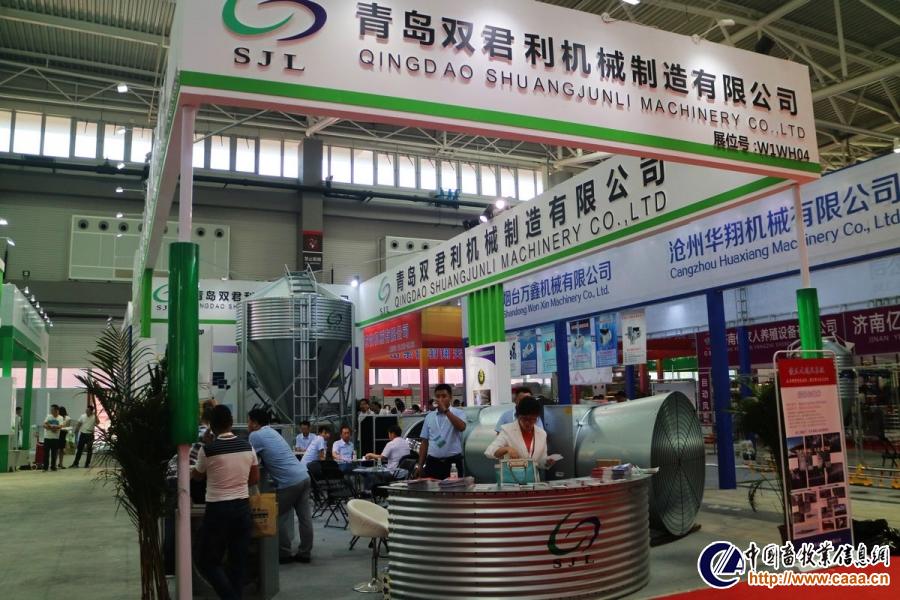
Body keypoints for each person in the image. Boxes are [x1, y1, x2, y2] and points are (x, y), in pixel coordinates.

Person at [192, 405, 259, 600]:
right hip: (242, 508)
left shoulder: (208, 450)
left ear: (211, 427)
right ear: (231, 423)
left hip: (218, 510)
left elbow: (197, 476)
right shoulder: (248, 447)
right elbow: (254, 478)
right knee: (238, 562)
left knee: (207, 561)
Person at [247, 409, 313, 565]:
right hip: (303, 476)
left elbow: (248, 458)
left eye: (248, 421)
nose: (247, 424)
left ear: (255, 423)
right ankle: (305, 553)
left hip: (289, 482)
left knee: (275, 516)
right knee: (304, 518)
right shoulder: (272, 432)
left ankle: (284, 553)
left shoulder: (255, 436)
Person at [485, 397, 556, 475]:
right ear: (518, 416)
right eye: (524, 419)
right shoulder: (508, 430)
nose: (528, 423)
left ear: (537, 417)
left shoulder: (542, 434)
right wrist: (507, 449)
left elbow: (540, 463)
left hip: (533, 479)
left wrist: (547, 463)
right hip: (512, 478)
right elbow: (490, 451)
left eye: (532, 419)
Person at [415, 384, 466, 479]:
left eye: (444, 396)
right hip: (433, 462)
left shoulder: (459, 413)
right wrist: (420, 465)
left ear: (450, 397)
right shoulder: (429, 417)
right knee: (432, 487)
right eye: (438, 397)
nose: (440, 399)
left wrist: (446, 411)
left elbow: (461, 427)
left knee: (454, 487)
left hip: (453, 462)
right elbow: (424, 442)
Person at [42, 404, 62, 472]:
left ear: (56, 410)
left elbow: (60, 426)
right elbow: (44, 425)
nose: (51, 411)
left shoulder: (60, 417)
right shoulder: (48, 416)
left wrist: (50, 426)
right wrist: (52, 428)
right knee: (46, 454)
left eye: (52, 410)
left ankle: (53, 466)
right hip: (47, 437)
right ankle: (45, 467)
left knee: (54, 453)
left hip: (55, 438)